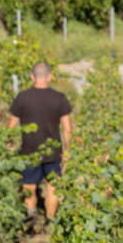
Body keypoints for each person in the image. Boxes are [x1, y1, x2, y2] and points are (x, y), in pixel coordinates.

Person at [8, 61, 73, 232]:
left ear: (32, 77)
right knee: (52, 185)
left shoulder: (22, 97)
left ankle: (31, 213)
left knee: (28, 184)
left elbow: (11, 126)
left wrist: (9, 143)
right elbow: (67, 129)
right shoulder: (60, 98)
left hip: (29, 151)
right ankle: (50, 220)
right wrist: (67, 151)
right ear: (50, 77)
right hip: (53, 152)